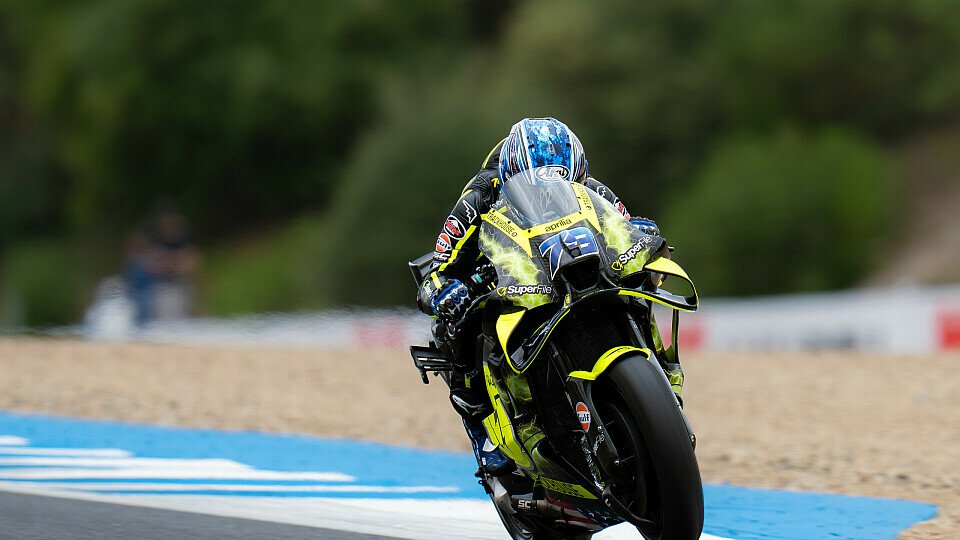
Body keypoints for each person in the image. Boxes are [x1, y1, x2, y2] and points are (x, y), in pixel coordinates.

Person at [416, 117, 672, 474]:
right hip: (504, 274)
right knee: (454, 325)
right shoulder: (480, 195)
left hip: (574, 267)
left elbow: (625, 228)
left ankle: (663, 371)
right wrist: (445, 289)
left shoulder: (592, 188)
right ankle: (482, 427)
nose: (555, 192)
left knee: (637, 281)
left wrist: (640, 233)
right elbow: (438, 268)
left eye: (568, 183)